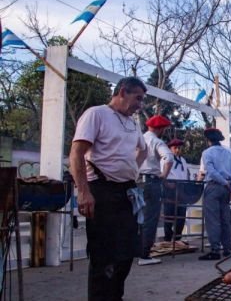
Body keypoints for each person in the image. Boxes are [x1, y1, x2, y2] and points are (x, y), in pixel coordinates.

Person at [69, 77, 148, 301]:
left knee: (126, 252)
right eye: (137, 98)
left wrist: (131, 168)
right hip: (101, 191)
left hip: (127, 193)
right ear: (122, 91)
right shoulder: (96, 114)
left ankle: (115, 297)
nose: (139, 105)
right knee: (104, 255)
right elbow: (76, 153)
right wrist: (83, 192)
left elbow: (143, 151)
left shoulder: (133, 124)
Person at [138, 115, 174, 265]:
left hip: (136, 181)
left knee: (136, 218)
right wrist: (163, 175)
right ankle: (144, 255)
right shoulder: (156, 141)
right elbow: (169, 157)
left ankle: (135, 250)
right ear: (160, 128)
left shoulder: (139, 138)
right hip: (151, 182)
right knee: (150, 218)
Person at [198, 128, 231, 260]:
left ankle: (215, 249)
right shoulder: (228, 152)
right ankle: (227, 248)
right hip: (226, 188)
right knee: (225, 218)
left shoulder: (207, 152)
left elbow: (211, 171)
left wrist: (224, 183)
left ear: (208, 139)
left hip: (214, 186)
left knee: (213, 219)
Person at [161, 138, 189, 243]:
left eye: (179, 148)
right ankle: (168, 238)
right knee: (169, 214)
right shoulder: (165, 158)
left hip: (181, 188)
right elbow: (162, 173)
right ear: (170, 148)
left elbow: (185, 174)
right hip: (170, 188)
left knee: (181, 215)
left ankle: (177, 237)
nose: (177, 150)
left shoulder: (183, 160)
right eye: (175, 148)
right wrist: (167, 183)